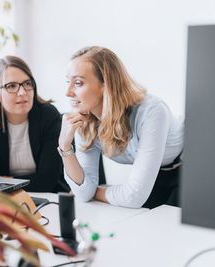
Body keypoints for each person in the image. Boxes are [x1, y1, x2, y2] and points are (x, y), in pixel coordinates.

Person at [58, 46, 184, 208]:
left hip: (191, 166)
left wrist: (94, 191)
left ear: (106, 84)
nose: (68, 92)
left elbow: (133, 197)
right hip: (156, 173)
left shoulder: (152, 111)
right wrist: (65, 147)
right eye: (68, 82)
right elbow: (83, 194)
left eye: (78, 83)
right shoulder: (83, 121)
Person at [0, 55, 69, 192]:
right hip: (6, 201)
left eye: (27, 84)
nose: (22, 92)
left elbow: (47, 180)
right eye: (11, 86)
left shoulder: (48, 116)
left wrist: (7, 182)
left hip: (50, 198)